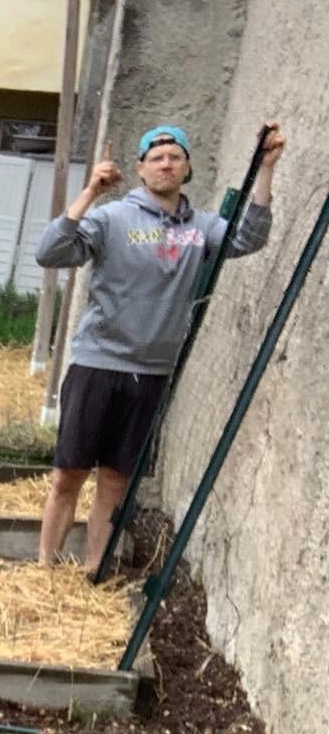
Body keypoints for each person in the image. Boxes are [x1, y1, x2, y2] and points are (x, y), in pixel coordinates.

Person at [35, 120, 286, 568]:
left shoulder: (201, 227)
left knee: (115, 481)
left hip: (151, 374)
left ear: (187, 167)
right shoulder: (112, 219)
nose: (166, 164)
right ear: (141, 169)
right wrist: (91, 192)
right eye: (156, 158)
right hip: (98, 364)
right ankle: (45, 570)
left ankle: (95, 570)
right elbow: (51, 252)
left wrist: (265, 169)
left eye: (175, 157)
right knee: (68, 475)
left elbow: (249, 238)